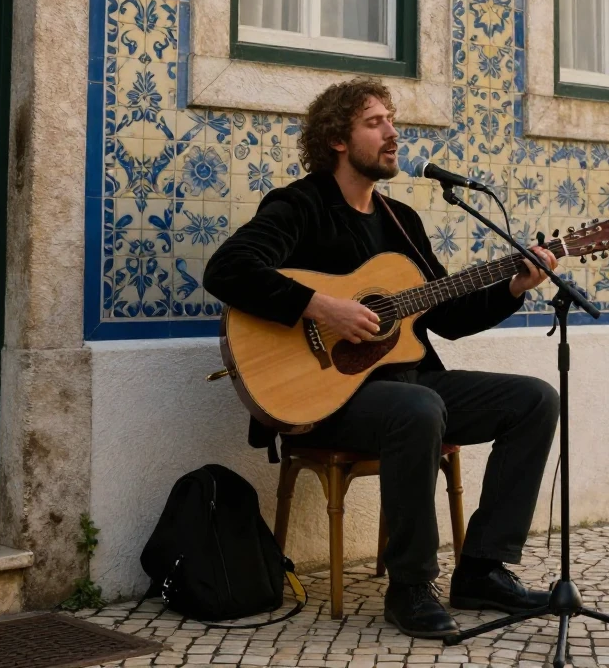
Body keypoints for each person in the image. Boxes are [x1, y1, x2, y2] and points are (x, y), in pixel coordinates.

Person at [203, 78, 561, 638]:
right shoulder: (299, 207)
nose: (393, 133)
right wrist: (322, 308)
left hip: (411, 386)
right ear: (337, 139)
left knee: (534, 399)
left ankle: (483, 569)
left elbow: (447, 317)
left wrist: (515, 285)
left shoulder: (402, 222)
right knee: (417, 408)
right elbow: (227, 271)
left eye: (392, 120)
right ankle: (411, 586)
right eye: (375, 122)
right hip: (326, 396)